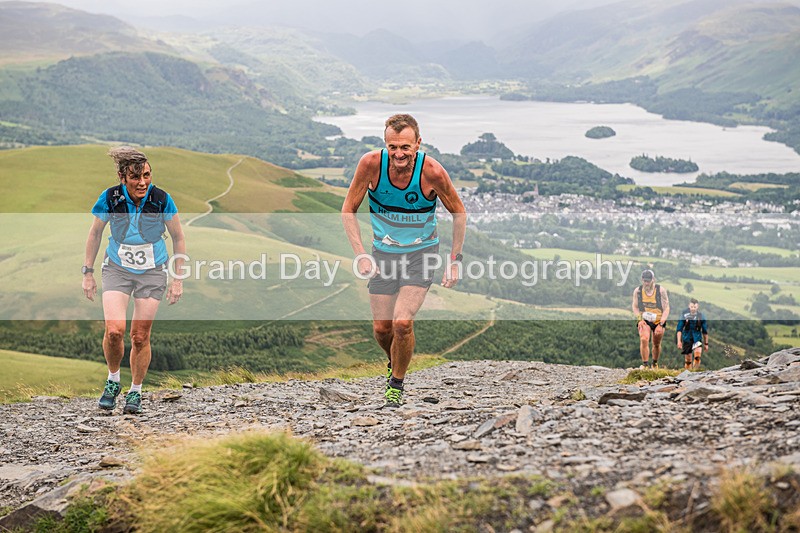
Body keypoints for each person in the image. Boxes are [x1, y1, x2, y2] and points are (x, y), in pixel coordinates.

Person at [342, 114, 466, 408]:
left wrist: (454, 259)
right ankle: (395, 362)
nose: (398, 153)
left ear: (418, 144)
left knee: (401, 323)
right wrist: (360, 253)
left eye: (405, 147)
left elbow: (458, 213)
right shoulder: (371, 165)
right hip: (383, 254)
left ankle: (396, 385)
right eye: (392, 146)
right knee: (382, 329)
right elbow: (348, 209)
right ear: (386, 145)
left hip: (421, 254)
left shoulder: (432, 172)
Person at [82, 147, 185, 415]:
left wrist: (177, 279)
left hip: (153, 271)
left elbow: (178, 238)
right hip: (117, 268)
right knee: (114, 330)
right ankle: (113, 380)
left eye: (147, 176)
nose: (142, 183)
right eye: (136, 177)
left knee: (140, 337)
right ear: (122, 176)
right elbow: (94, 235)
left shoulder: (162, 199)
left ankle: (135, 392)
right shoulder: (110, 198)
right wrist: (88, 272)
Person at [631, 269, 670, 369]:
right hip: (645, 320)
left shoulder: (661, 291)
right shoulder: (638, 291)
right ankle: (645, 365)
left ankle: (654, 363)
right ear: (642, 280)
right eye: (644, 281)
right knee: (644, 339)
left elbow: (666, 308)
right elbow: (635, 307)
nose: (646, 283)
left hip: (658, 320)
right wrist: (640, 319)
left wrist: (661, 324)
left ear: (653, 280)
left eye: (648, 281)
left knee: (656, 343)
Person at [676, 297, 708, 370]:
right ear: (689, 306)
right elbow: (679, 329)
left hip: (697, 338)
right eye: (692, 307)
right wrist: (679, 341)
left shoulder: (701, 316)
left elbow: (705, 331)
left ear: (697, 307)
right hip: (687, 338)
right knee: (688, 361)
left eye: (695, 307)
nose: (693, 308)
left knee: (697, 357)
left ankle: (695, 371)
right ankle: (688, 374)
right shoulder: (684, 316)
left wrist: (706, 343)